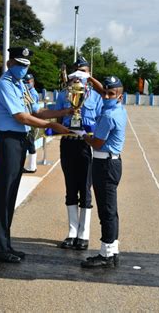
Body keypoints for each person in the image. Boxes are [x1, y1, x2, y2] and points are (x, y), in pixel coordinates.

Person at [0, 47, 71, 263]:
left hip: (18, 141)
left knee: (11, 193)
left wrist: (64, 112)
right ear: (9, 64)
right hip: (7, 140)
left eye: (26, 65)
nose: (23, 69)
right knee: (4, 194)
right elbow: (21, 117)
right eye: (19, 64)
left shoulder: (21, 86)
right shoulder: (4, 85)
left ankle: (5, 243)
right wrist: (51, 126)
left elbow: (36, 111)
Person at [54, 56, 103, 251]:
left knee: (86, 188)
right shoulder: (63, 95)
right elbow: (57, 119)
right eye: (77, 72)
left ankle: (84, 234)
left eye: (84, 72)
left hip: (86, 144)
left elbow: (101, 121)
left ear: (89, 74)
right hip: (68, 143)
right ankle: (72, 232)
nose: (79, 76)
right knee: (70, 187)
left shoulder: (96, 97)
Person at [79, 75, 127, 268]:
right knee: (111, 210)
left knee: (106, 211)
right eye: (104, 93)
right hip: (112, 163)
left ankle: (106, 255)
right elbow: (104, 91)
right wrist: (90, 78)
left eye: (111, 94)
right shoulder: (118, 108)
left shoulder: (108, 115)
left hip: (104, 164)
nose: (106, 96)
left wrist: (84, 136)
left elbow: (97, 143)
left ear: (119, 96)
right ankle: (112, 249)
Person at [22, 73, 40, 173]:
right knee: (29, 143)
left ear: (33, 82)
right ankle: (31, 166)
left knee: (30, 143)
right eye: (26, 82)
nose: (27, 83)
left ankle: (31, 166)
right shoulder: (29, 92)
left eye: (29, 82)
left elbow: (33, 109)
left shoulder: (32, 93)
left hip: (31, 121)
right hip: (30, 121)